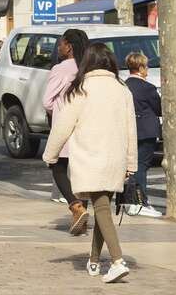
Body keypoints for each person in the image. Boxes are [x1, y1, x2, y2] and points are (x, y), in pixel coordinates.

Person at [43, 42, 137, 284]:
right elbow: (131, 129)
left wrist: (50, 155)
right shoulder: (122, 88)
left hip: (90, 156)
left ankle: (117, 261)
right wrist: (131, 163)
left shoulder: (81, 89)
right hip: (115, 157)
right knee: (103, 208)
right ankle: (94, 261)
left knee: (102, 209)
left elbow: (62, 126)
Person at [43, 28, 90, 234]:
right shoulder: (88, 67)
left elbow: (47, 101)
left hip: (65, 126)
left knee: (57, 166)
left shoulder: (61, 69)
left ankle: (76, 206)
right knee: (82, 173)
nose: (59, 47)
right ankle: (82, 215)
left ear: (68, 47)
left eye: (61, 43)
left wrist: (58, 109)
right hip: (86, 125)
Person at [125, 51, 163, 218]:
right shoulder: (148, 88)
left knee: (130, 167)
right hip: (146, 130)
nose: (147, 69)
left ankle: (130, 202)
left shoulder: (124, 85)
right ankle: (141, 202)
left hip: (129, 129)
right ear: (140, 68)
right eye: (146, 66)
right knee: (142, 166)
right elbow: (158, 108)